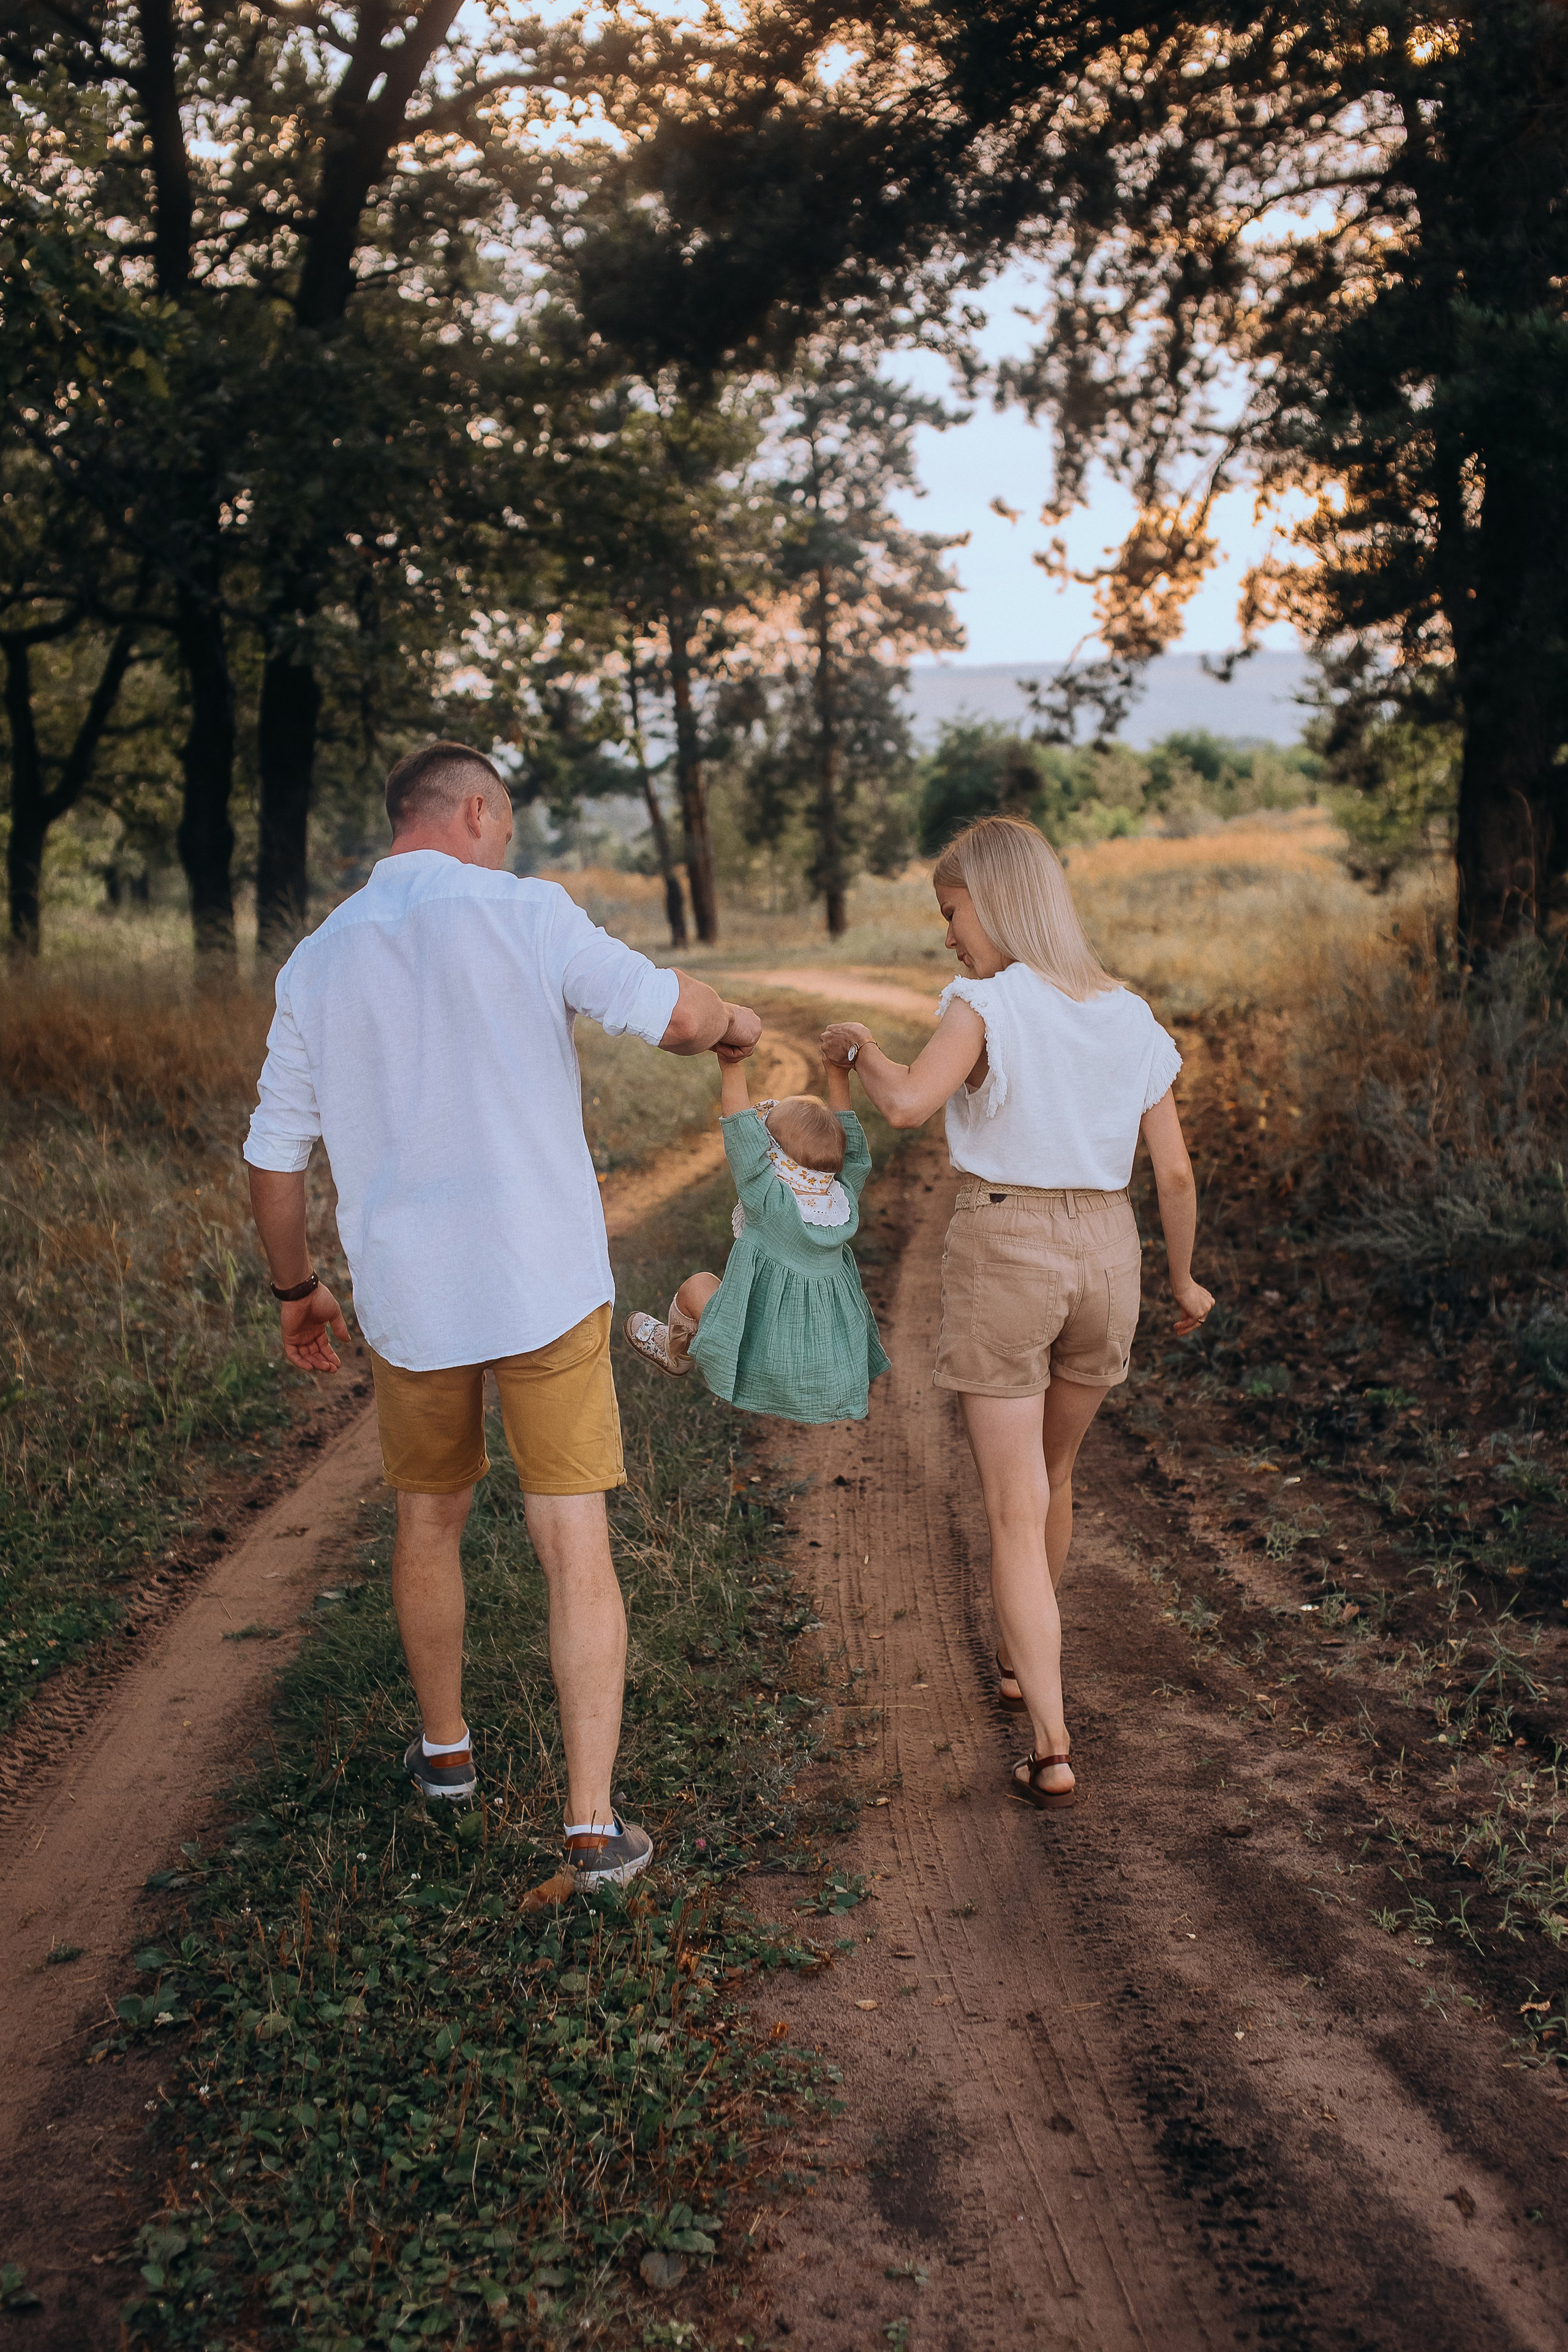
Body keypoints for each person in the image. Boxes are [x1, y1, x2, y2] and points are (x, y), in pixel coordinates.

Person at [242, 739, 761, 1887]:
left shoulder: (317, 960)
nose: (508, 843)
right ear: (476, 810)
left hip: (411, 1296)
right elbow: (673, 1017)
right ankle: (589, 1826)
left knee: (429, 1519)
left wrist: (298, 1288)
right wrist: (734, 1024)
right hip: (540, 1282)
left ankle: (447, 1757)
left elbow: (275, 1158)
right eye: (508, 823)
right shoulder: (527, 913)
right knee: (570, 1534)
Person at [821, 813, 1213, 1810]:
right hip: (1110, 1254)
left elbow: (908, 1105)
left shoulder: (986, 1003)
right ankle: (1017, 1660)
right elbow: (1170, 1169)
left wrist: (862, 1049)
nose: (949, 935)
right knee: (1055, 1473)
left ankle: (1051, 1738)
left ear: (991, 903)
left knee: (1011, 1505)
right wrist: (1184, 1282)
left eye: (952, 912)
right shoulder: (1129, 1013)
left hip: (1008, 1246)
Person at [622, 1050, 889, 1424]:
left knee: (697, 1287)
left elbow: (741, 1135)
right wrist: (838, 1075)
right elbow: (854, 1152)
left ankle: (674, 1351)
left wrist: (731, 1063)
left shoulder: (771, 1202)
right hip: (825, 1362)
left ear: (774, 1158)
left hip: (766, 1352)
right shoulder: (842, 1202)